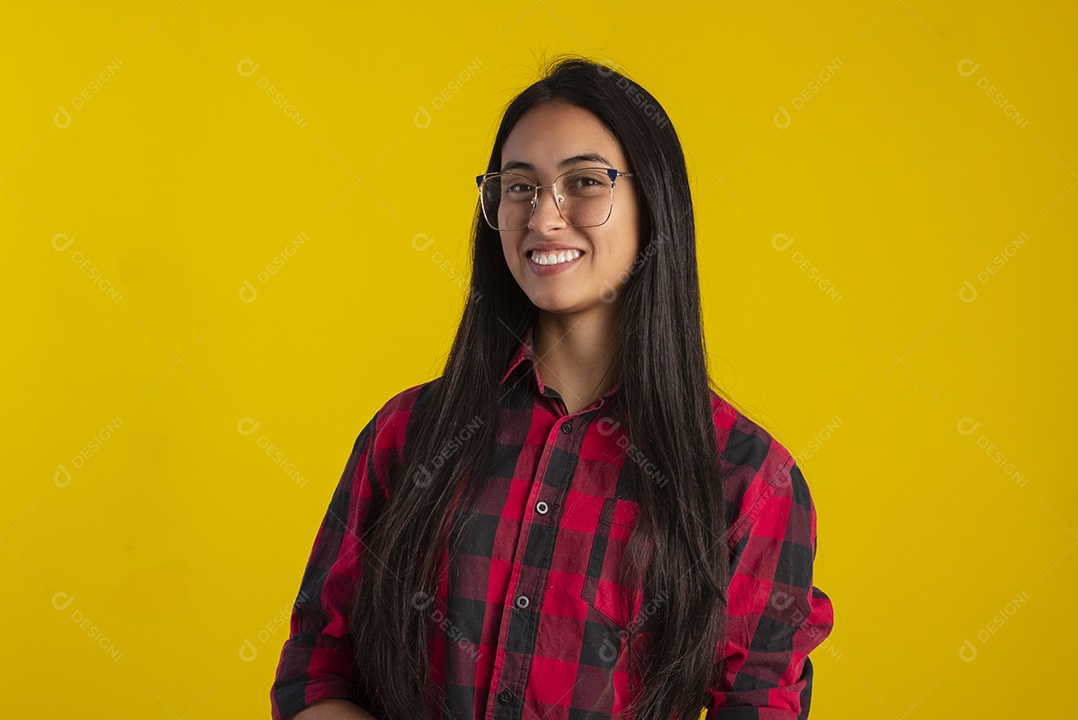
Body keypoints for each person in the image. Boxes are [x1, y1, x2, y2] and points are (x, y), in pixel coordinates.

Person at [270, 56, 834, 720]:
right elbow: (318, 665)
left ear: (653, 202)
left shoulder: (749, 480)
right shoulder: (408, 431)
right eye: (519, 187)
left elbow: (757, 704)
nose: (542, 217)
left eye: (584, 183)